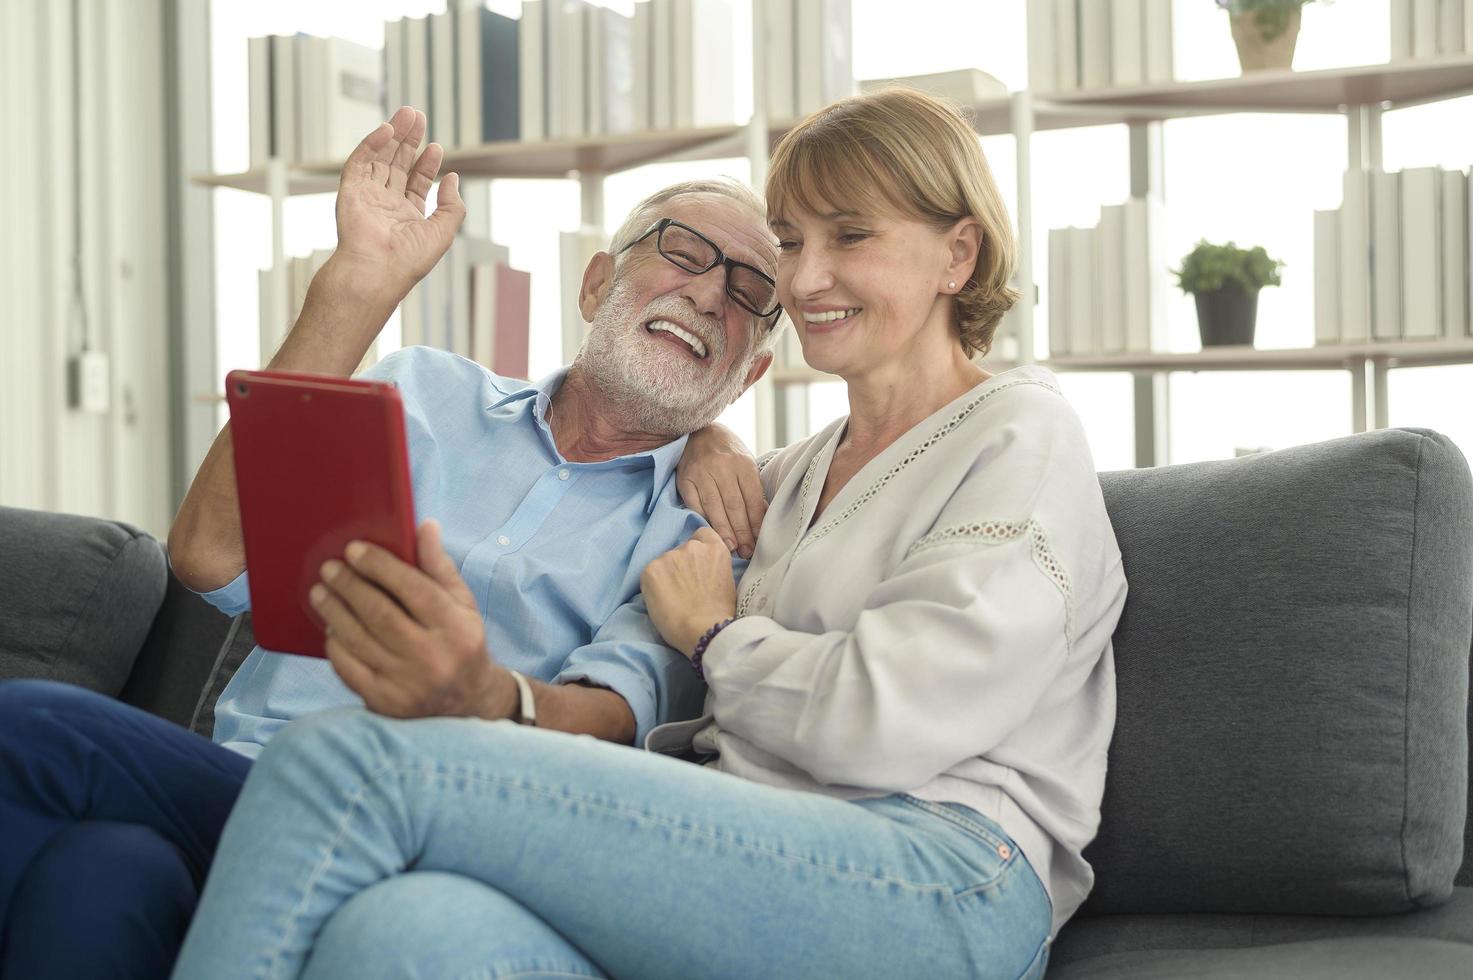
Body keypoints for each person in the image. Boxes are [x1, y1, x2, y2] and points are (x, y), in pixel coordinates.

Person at [170, 88, 1128, 980]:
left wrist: (719, 637)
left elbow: (879, 726)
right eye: (792, 242)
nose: (805, 276)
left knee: (346, 760)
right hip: (750, 852)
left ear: (957, 256)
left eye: (851, 236)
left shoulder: (1021, 436)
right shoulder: (775, 483)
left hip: (938, 871)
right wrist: (703, 434)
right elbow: (661, 594)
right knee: (409, 929)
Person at [0, 106, 781, 979]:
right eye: (682, 250)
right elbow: (212, 558)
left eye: (751, 292)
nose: (712, 292)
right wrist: (355, 289)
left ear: (747, 373)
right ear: (597, 285)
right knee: (100, 875)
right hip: (247, 776)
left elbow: (614, 716)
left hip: (418, 823)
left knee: (30, 725)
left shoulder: (702, 532)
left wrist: (479, 692)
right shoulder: (420, 391)